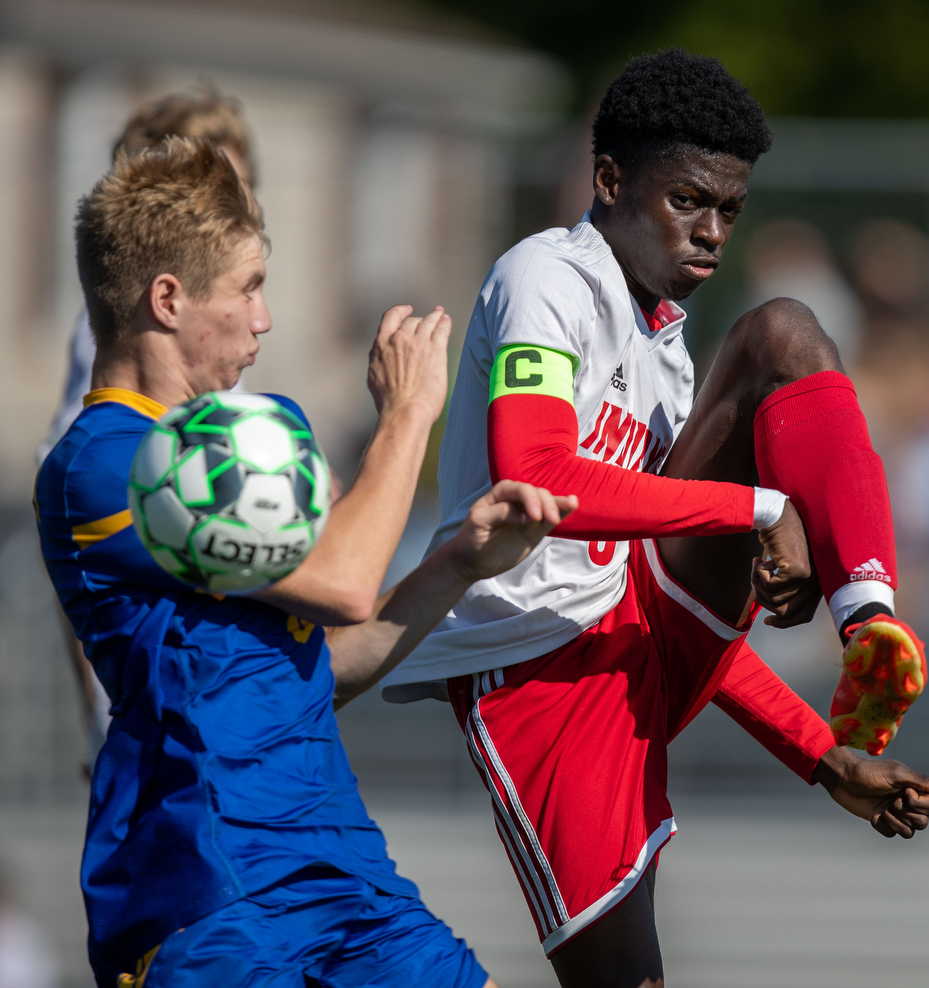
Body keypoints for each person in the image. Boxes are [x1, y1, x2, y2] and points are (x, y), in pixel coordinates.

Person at [380, 49, 929, 987]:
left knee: (783, 332)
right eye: (689, 199)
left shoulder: (669, 352)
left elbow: (652, 585)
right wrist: (763, 509)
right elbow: (538, 476)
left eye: (730, 209)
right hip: (537, 672)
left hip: (633, 638)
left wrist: (824, 753)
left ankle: (870, 611)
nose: (712, 231)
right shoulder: (545, 278)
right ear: (610, 181)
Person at [35, 137, 575, 987]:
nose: (265, 318)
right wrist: (406, 419)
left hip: (346, 876)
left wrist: (457, 562)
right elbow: (344, 585)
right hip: (212, 894)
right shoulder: (110, 462)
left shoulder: (245, 443)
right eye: (248, 288)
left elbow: (317, 666)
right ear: (168, 299)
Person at [39, 89, 262, 775]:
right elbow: (90, 524)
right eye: (215, 190)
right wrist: (101, 716)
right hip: (161, 726)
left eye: (246, 191)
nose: (239, 210)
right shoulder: (126, 342)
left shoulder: (225, 323)